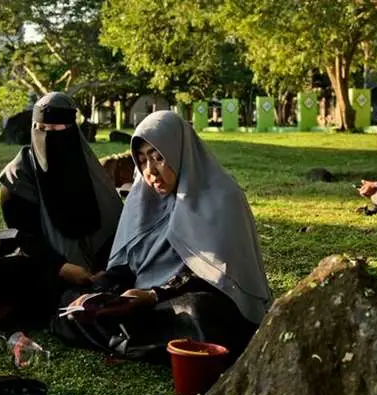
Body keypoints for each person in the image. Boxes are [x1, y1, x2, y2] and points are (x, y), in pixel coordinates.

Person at [53, 111, 272, 362]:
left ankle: (125, 340)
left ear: (180, 153)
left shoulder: (223, 198)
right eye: (142, 160)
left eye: (158, 158)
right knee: (70, 301)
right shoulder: (141, 200)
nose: (150, 172)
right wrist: (101, 291)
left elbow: (218, 275)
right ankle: (135, 341)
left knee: (198, 314)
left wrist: (155, 295)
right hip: (142, 302)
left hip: (187, 298)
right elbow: (126, 266)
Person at [0, 92, 123, 315]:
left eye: (57, 129)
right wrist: (61, 267)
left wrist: (105, 267)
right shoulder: (18, 177)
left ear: (71, 130)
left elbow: (113, 222)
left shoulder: (88, 168)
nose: (47, 136)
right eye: (40, 128)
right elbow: (24, 236)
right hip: (47, 267)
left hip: (101, 265)